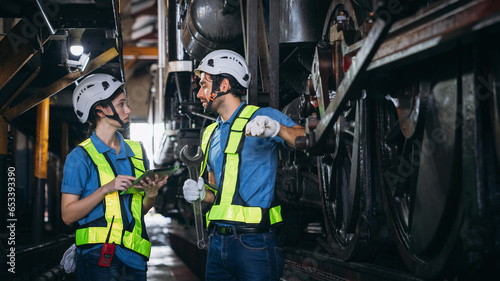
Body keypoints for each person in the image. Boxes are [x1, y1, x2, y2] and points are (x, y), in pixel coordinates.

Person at [182, 49, 305, 281]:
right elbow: (215, 193)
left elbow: (306, 138)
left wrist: (278, 129)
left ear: (225, 85)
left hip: (254, 245)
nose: (199, 93)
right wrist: (201, 194)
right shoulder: (210, 133)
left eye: (204, 85)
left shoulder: (262, 117)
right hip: (217, 244)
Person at [60, 73, 167, 280]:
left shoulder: (136, 152)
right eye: (121, 104)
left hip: (135, 259)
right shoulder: (80, 157)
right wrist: (106, 189)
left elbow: (136, 210)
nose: (128, 110)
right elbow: (67, 215)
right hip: (98, 259)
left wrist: (152, 195)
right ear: (100, 110)